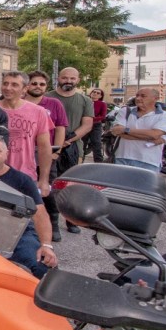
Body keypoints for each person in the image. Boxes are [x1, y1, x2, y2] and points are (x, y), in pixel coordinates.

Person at [0, 136, 58, 278]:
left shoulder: (22, 180)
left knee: (41, 266)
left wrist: (46, 245)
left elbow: (40, 215)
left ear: (6, 153)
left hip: (17, 232)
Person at [45, 67, 94, 234]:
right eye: (65, 78)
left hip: (73, 147)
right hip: (50, 146)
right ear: (58, 78)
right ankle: (53, 222)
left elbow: (87, 125)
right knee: (51, 183)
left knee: (71, 185)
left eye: (72, 78)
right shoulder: (47, 97)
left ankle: (71, 219)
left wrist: (69, 139)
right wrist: (57, 142)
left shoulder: (84, 100)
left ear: (77, 80)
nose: (68, 81)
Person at [0, 71, 53, 197]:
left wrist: (44, 180)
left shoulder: (38, 112)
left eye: (14, 85)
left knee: (27, 214)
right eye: (5, 83)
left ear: (25, 89)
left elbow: (44, 147)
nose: (8, 88)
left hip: (26, 175)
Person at [112, 87, 166, 171]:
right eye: (137, 95)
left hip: (149, 161)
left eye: (143, 96)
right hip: (123, 157)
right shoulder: (125, 111)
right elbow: (116, 131)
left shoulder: (165, 115)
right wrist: (150, 136)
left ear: (155, 98)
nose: (138, 98)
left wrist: (125, 130)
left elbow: (154, 134)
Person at [87, 88, 109, 162]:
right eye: (94, 92)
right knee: (82, 144)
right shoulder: (86, 101)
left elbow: (103, 116)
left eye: (98, 93)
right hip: (84, 125)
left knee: (96, 143)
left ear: (100, 96)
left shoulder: (102, 104)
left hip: (96, 125)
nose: (95, 93)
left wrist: (92, 119)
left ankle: (98, 163)